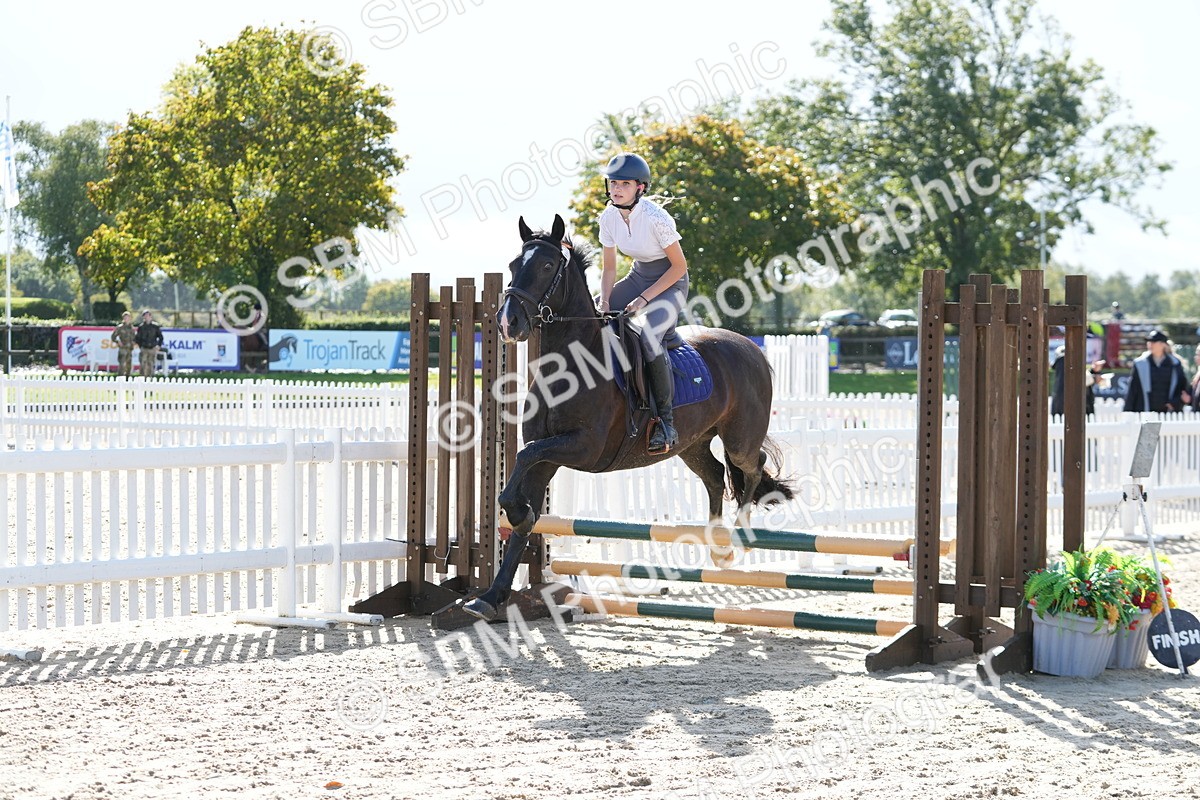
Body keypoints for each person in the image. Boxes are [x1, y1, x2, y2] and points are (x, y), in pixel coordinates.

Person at [596, 152, 688, 454]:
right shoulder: (608, 217)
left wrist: (644, 299)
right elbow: (609, 269)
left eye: (624, 183)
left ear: (641, 188)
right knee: (595, 319)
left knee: (649, 338)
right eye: (613, 183)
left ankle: (666, 422)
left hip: (670, 282)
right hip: (638, 276)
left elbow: (679, 267)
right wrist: (605, 300)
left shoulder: (657, 218)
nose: (617, 189)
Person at [1123, 330, 1187, 412]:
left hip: (1168, 414)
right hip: (1144, 412)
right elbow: (1132, 389)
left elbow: (1182, 388)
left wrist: (1174, 403)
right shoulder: (1139, 363)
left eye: (1154, 341)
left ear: (1163, 344)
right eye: (1149, 342)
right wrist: (1127, 411)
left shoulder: (1175, 364)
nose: (1150, 344)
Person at [1050, 346, 1105, 416]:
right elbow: (1075, 380)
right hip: (1070, 405)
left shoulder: (1066, 362)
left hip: (1069, 404)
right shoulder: (1065, 361)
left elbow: (1079, 377)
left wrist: (1093, 372)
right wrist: (1094, 377)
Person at [134, 309, 164, 377]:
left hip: (152, 348)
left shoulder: (155, 326)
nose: (146, 317)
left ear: (151, 316)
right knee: (142, 364)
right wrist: (140, 346)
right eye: (145, 316)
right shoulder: (141, 327)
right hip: (144, 348)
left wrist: (158, 346)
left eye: (148, 315)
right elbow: (137, 338)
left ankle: (150, 379)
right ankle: (142, 379)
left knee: (151, 364)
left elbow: (160, 337)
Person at [110, 311, 137, 378]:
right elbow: (113, 337)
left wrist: (134, 342)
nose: (126, 318)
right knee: (122, 365)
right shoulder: (120, 327)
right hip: (122, 349)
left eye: (128, 317)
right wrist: (118, 341)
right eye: (125, 317)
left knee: (129, 366)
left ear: (130, 318)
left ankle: (127, 380)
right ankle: (120, 380)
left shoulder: (132, 328)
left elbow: (135, 338)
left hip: (130, 349)